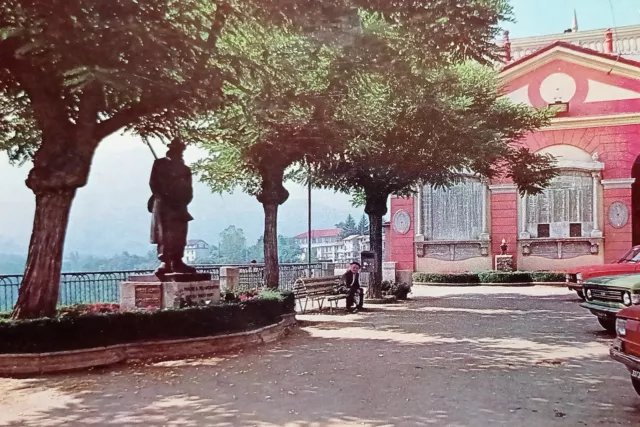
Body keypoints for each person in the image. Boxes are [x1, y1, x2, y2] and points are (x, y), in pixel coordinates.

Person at [148, 138, 197, 275]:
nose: (179, 153)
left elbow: (189, 190)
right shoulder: (160, 164)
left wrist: (182, 201)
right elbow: (154, 184)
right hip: (164, 206)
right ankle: (165, 262)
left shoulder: (185, 169)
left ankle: (177, 261)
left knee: (180, 233)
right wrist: (165, 197)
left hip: (180, 206)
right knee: (165, 234)